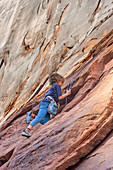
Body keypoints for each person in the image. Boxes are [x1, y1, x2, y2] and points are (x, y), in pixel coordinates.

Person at [22, 73, 71, 137]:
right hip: (46, 104)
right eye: (61, 82)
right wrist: (67, 94)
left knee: (46, 123)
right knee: (40, 117)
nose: (62, 84)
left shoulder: (51, 88)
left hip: (45, 104)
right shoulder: (57, 86)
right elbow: (59, 97)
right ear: (57, 81)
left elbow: (56, 97)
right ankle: (26, 131)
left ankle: (32, 115)